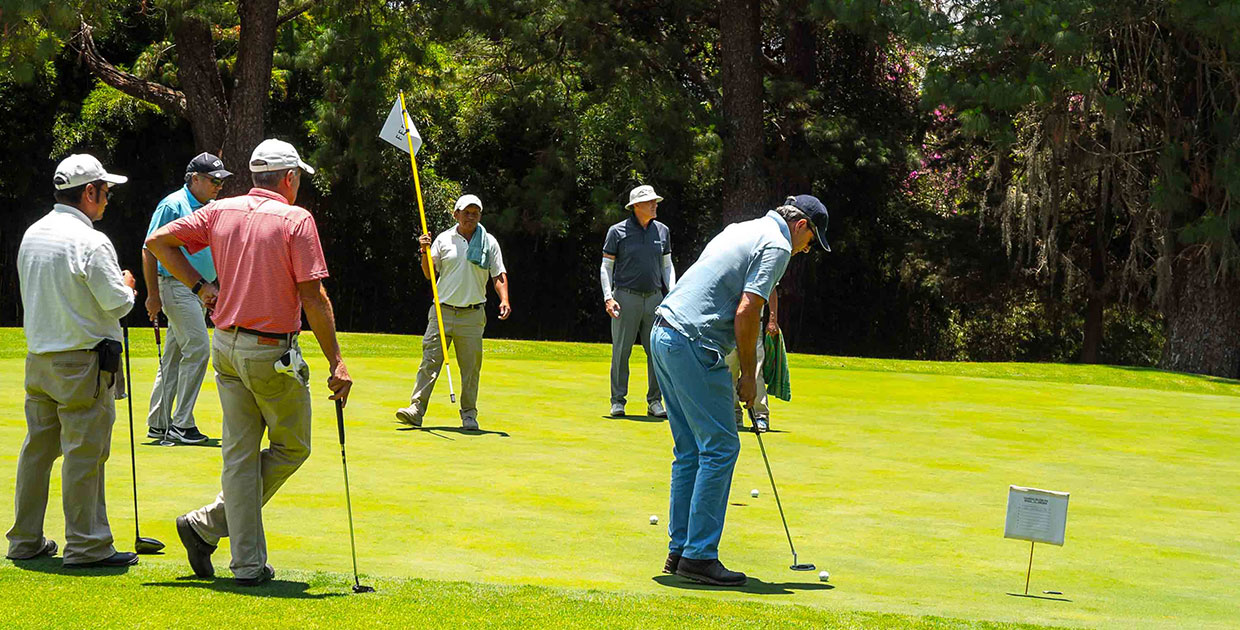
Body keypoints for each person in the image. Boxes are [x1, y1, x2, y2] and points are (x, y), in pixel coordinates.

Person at [145, 139, 352, 586]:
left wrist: (202, 289)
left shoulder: (221, 210)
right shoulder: (296, 219)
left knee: (239, 457)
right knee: (293, 446)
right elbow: (313, 296)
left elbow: (158, 241)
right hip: (270, 351)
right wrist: (336, 361)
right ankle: (208, 526)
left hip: (225, 346)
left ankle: (241, 560)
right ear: (289, 178)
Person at [650, 195, 830, 586]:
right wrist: (749, 374)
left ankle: (680, 550)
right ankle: (698, 557)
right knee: (721, 446)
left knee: (691, 450)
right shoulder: (779, 245)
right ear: (802, 226)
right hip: (694, 342)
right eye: (811, 241)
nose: (806, 250)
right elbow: (748, 310)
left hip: (664, 332)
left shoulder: (744, 227)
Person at [7, 154, 140, 568]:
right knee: (85, 453)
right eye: (105, 191)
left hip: (39, 360)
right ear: (88, 192)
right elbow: (116, 304)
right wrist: (129, 286)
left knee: (37, 452)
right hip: (82, 362)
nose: (107, 199)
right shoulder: (92, 240)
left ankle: (24, 539)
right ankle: (87, 545)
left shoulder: (33, 232)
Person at [396, 194, 511, 431]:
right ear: (455, 214)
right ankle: (416, 410)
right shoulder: (443, 239)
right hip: (442, 312)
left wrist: (504, 299)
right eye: (466, 212)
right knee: (429, 362)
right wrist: (423, 251)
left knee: (470, 369)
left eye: (475, 212)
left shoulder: (488, 242)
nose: (471, 216)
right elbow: (429, 273)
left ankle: (469, 414)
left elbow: (498, 274)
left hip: (472, 313)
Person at [142, 152, 232, 444]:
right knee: (198, 349)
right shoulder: (173, 204)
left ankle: (159, 422)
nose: (219, 185)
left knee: (175, 355)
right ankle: (182, 424)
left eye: (221, 180)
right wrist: (153, 295)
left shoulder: (211, 207)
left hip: (198, 289)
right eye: (213, 180)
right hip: (175, 286)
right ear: (194, 179)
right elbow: (149, 248)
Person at [601, 185, 675, 418]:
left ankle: (654, 401)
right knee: (621, 351)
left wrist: (672, 294)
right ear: (636, 206)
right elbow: (606, 267)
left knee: (657, 351)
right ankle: (618, 400)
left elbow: (667, 265)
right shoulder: (617, 231)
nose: (655, 205)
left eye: (655, 201)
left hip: (655, 298)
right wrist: (608, 297)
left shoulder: (662, 231)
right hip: (625, 296)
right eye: (650, 202)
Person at [726, 287, 778, 432]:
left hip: (753, 323)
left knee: (755, 372)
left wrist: (772, 319)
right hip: (728, 324)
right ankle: (733, 417)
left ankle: (760, 416)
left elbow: (772, 289)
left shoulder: (761, 264)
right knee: (729, 372)